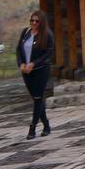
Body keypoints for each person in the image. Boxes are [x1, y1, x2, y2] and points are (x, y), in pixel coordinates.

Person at [17, 9, 55, 139]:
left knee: (38, 97)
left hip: (40, 70)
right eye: (32, 20)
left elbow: (48, 53)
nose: (33, 23)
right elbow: (18, 50)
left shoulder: (47, 35)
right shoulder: (25, 33)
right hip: (26, 71)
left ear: (42, 22)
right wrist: (21, 64)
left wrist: (34, 63)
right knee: (36, 98)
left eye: (36, 21)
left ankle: (32, 127)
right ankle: (46, 125)